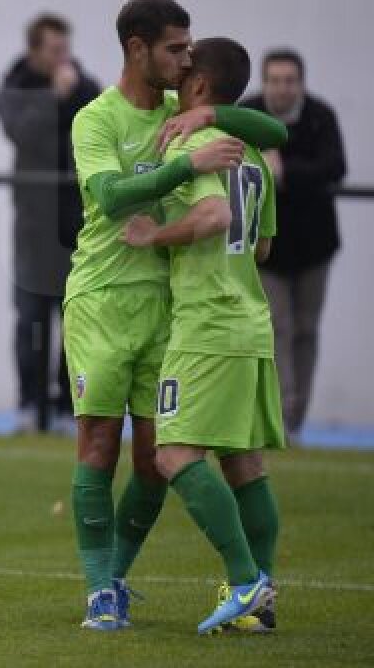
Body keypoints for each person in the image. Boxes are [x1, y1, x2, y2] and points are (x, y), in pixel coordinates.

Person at [63, 0, 287, 631]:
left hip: (170, 309)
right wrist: (188, 163)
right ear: (138, 49)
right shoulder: (95, 119)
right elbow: (109, 197)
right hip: (102, 298)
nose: (186, 58)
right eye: (175, 48)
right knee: (99, 443)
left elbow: (274, 134)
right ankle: (99, 591)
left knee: (156, 456)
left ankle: (123, 575)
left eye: (190, 50)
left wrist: (214, 113)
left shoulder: (183, 109)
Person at [123, 36, 284, 633]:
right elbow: (262, 246)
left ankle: (243, 582)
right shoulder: (253, 158)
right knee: (245, 465)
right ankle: (260, 601)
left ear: (197, 86)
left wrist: (153, 236)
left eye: (185, 69)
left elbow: (213, 216)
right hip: (250, 322)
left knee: (172, 453)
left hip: (207, 325)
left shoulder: (197, 145)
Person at [0, 13, 99, 434]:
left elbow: (95, 135)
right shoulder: (16, 88)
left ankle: (64, 407)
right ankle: (28, 404)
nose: (63, 59)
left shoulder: (87, 88)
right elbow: (22, 134)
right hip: (33, 225)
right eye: (55, 50)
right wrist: (52, 101)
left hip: (77, 222)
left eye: (66, 49)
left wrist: (71, 98)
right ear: (34, 50)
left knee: (73, 321)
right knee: (30, 320)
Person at [241, 50, 347, 441]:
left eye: (290, 80)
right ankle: (280, 417)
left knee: (307, 330)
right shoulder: (247, 114)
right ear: (264, 82)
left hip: (315, 246)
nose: (283, 88)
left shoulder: (320, 116)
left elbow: (335, 165)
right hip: (266, 247)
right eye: (275, 80)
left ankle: (297, 418)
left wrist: (285, 171)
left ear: (301, 83)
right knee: (277, 328)